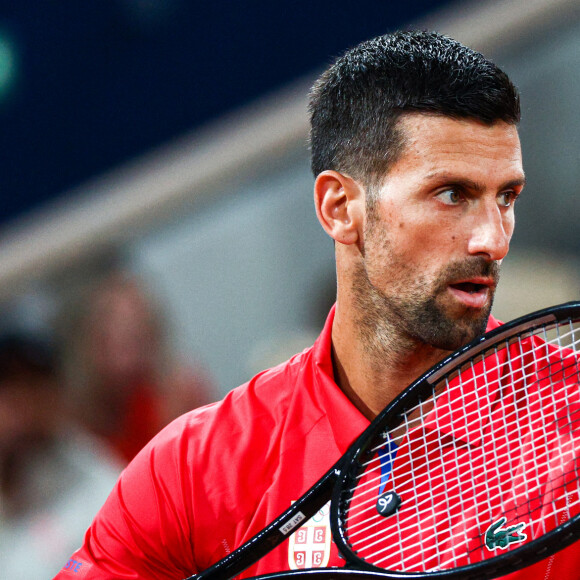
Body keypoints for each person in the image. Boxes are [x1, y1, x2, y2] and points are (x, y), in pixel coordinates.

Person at [52, 30, 579, 579]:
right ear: (340, 207)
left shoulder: (573, 419)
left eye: (506, 197)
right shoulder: (191, 471)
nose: (492, 240)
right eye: (452, 194)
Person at [59, 270, 217, 463]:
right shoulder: (74, 420)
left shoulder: (181, 392)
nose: (125, 333)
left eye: (136, 332)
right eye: (111, 325)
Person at [0, 332, 122, 580]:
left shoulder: (103, 490)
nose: (19, 401)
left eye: (33, 384)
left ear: (58, 393)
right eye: (7, 384)